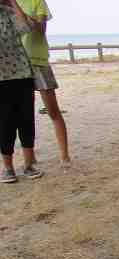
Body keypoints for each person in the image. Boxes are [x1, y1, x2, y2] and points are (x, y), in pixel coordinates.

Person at [17, 0, 71, 167]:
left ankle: (64, 156)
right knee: (23, 114)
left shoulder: (37, 2)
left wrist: (16, 7)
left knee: (53, 111)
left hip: (39, 62)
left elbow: (40, 29)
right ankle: (30, 158)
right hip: (16, 64)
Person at [0, 0, 43, 184]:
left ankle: (29, 164)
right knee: (5, 123)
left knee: (26, 120)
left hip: (23, 74)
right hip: (1, 78)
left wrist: (12, 3)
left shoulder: (10, 12)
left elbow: (26, 27)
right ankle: (8, 168)